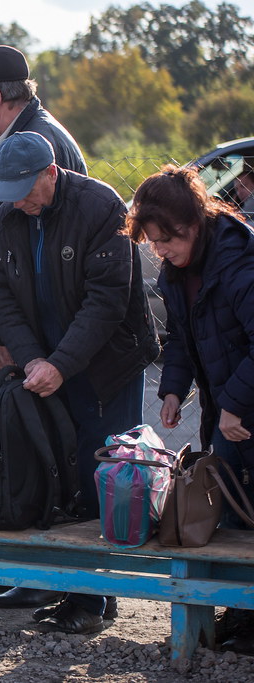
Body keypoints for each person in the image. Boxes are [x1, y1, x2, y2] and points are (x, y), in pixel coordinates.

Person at [0, 131, 159, 633]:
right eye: (10, 190)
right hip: (46, 364)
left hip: (106, 366)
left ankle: (94, 598)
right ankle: (76, 589)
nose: (19, 200)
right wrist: (34, 359)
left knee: (101, 474)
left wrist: (60, 362)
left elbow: (106, 301)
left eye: (26, 188)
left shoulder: (100, 206)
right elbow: (4, 294)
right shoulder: (8, 213)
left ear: (51, 172)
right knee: (58, 476)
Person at [126, 165, 254, 653]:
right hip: (229, 407)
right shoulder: (180, 271)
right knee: (234, 511)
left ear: (193, 224)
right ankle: (241, 615)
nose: (160, 252)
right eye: (154, 243)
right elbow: (182, 336)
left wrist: (234, 407)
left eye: (166, 241)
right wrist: (174, 391)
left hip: (239, 405)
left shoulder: (241, 266)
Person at [0, 44, 86, 375]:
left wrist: (7, 334)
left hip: (37, 325)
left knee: (35, 417)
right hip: (17, 314)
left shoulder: (33, 143)